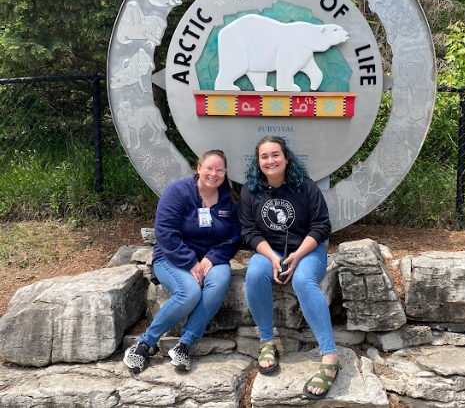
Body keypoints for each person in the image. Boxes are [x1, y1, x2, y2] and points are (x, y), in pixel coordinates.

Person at [238, 136, 341, 400]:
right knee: (254, 274)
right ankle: (267, 342)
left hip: (307, 249)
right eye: (264, 156)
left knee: (303, 280)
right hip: (269, 250)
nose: (270, 160)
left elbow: (321, 226)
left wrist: (297, 255)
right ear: (258, 162)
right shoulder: (250, 190)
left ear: (286, 158)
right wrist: (273, 258)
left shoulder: (306, 186)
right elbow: (248, 232)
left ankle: (330, 357)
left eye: (275, 154)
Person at [123, 149, 241, 373]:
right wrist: (191, 262)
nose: (214, 174)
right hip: (172, 257)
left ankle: (185, 344)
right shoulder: (177, 192)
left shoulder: (229, 201)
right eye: (209, 168)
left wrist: (212, 257)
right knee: (190, 292)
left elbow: (234, 238)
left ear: (225, 173)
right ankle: (144, 344)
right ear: (198, 168)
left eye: (219, 170)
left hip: (212, 259)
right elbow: (165, 233)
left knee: (220, 282)